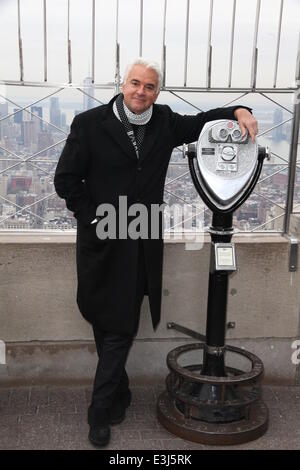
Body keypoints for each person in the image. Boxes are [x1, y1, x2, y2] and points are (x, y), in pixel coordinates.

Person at [54, 57, 258, 447]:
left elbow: (203, 120)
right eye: (134, 84)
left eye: (149, 87)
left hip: (142, 243)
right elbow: (66, 179)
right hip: (102, 240)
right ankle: (120, 392)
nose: (140, 92)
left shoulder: (164, 122)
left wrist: (240, 108)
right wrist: (94, 220)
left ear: (156, 92)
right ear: (122, 83)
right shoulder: (89, 124)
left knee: (120, 326)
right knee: (105, 320)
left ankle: (100, 410)